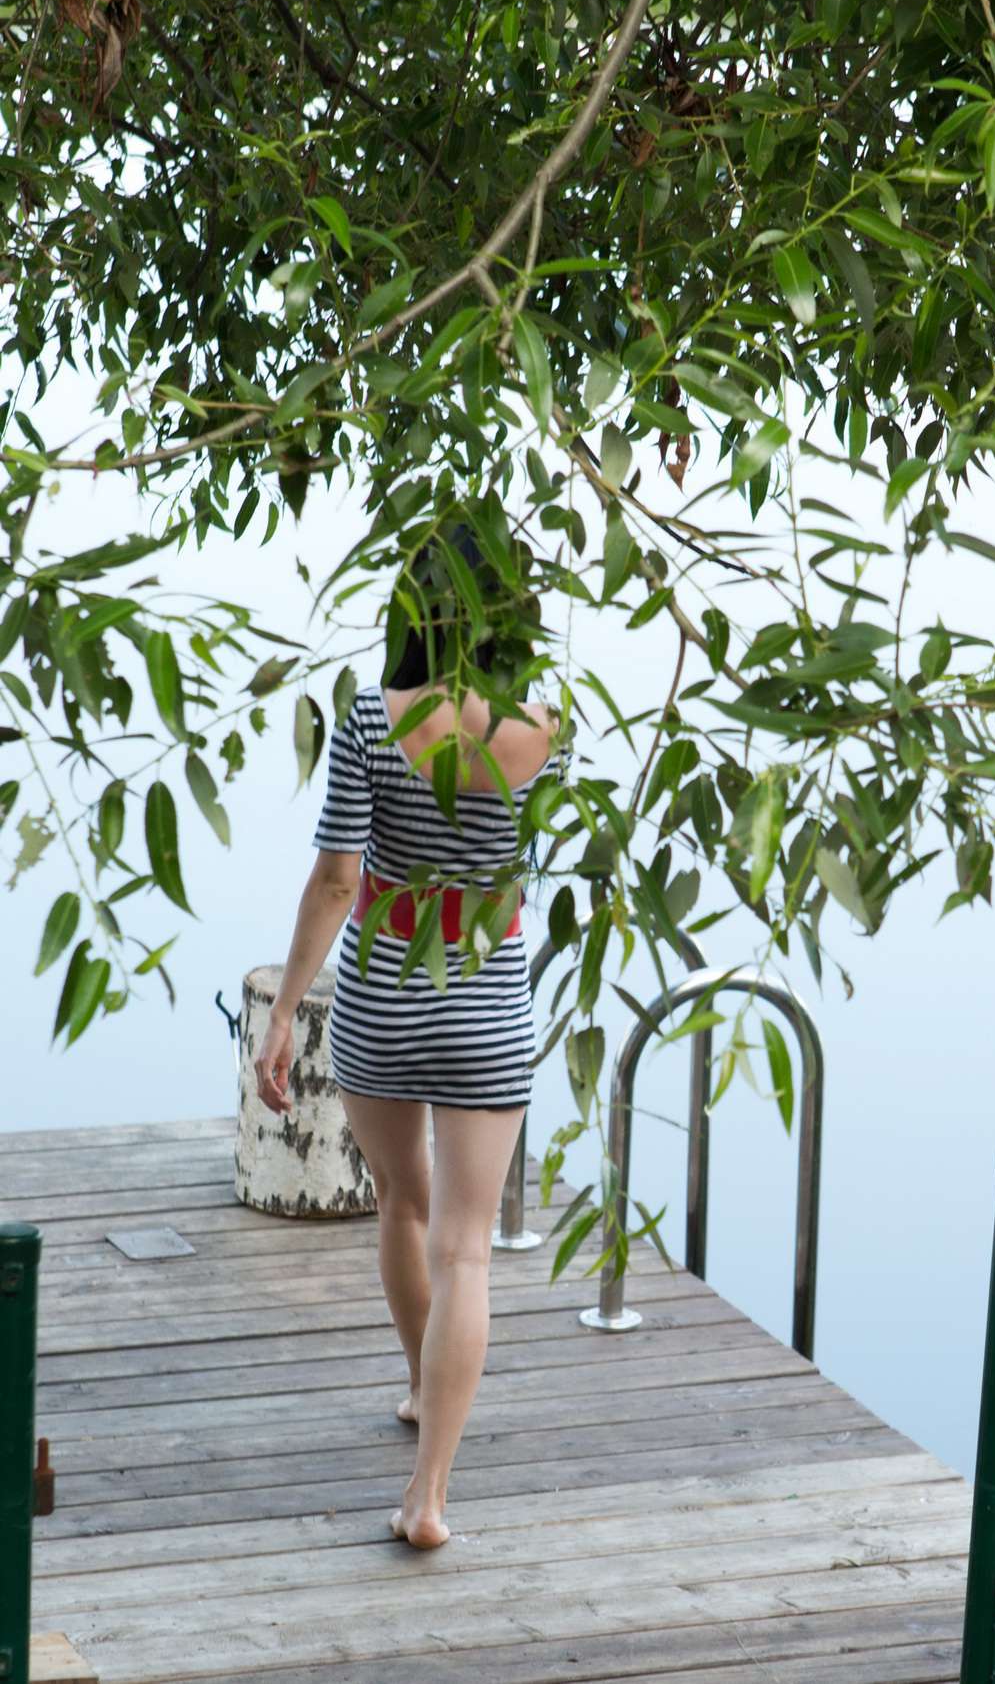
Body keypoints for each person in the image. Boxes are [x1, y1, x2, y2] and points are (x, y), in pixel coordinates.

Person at [252, 525, 566, 1550]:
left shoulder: (367, 717)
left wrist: (287, 1009)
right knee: (466, 1247)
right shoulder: (546, 723)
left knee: (400, 1201)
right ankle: (428, 1494)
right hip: (486, 991)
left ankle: (420, 1383)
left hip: (386, 985)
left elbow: (336, 877)